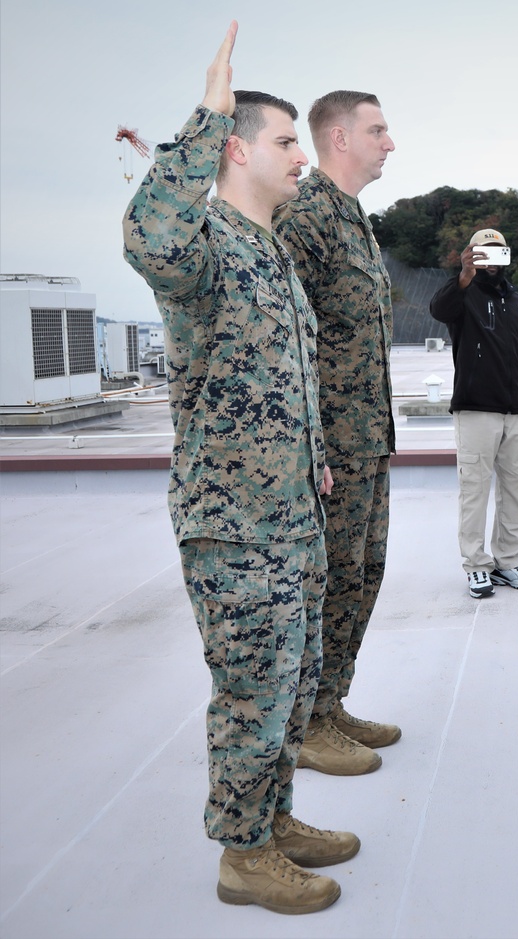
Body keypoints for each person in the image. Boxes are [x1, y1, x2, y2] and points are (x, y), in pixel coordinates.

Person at [122, 22, 358, 915]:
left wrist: (319, 462)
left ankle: (276, 819)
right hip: (236, 526)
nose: (302, 157)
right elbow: (149, 235)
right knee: (253, 696)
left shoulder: (269, 249)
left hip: (292, 513)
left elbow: (285, 379)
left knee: (294, 686)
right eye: (287, 142)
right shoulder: (207, 246)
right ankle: (242, 856)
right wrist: (202, 116)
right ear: (237, 149)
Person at [274, 91, 399, 778]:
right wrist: (312, 446)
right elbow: (288, 337)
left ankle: (333, 700)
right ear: (339, 137)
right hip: (332, 450)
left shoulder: (353, 218)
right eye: (378, 130)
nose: (390, 142)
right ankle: (309, 719)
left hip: (367, 440)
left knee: (360, 575)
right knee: (329, 581)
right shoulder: (308, 215)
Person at [429, 228, 518, 598]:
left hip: (517, 411)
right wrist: (463, 276)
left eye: (498, 250)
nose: (491, 257)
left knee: (516, 489)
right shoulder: (463, 294)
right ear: (472, 254)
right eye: (483, 251)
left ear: (507, 254)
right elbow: (438, 309)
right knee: (475, 491)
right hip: (475, 409)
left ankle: (508, 562)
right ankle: (476, 566)